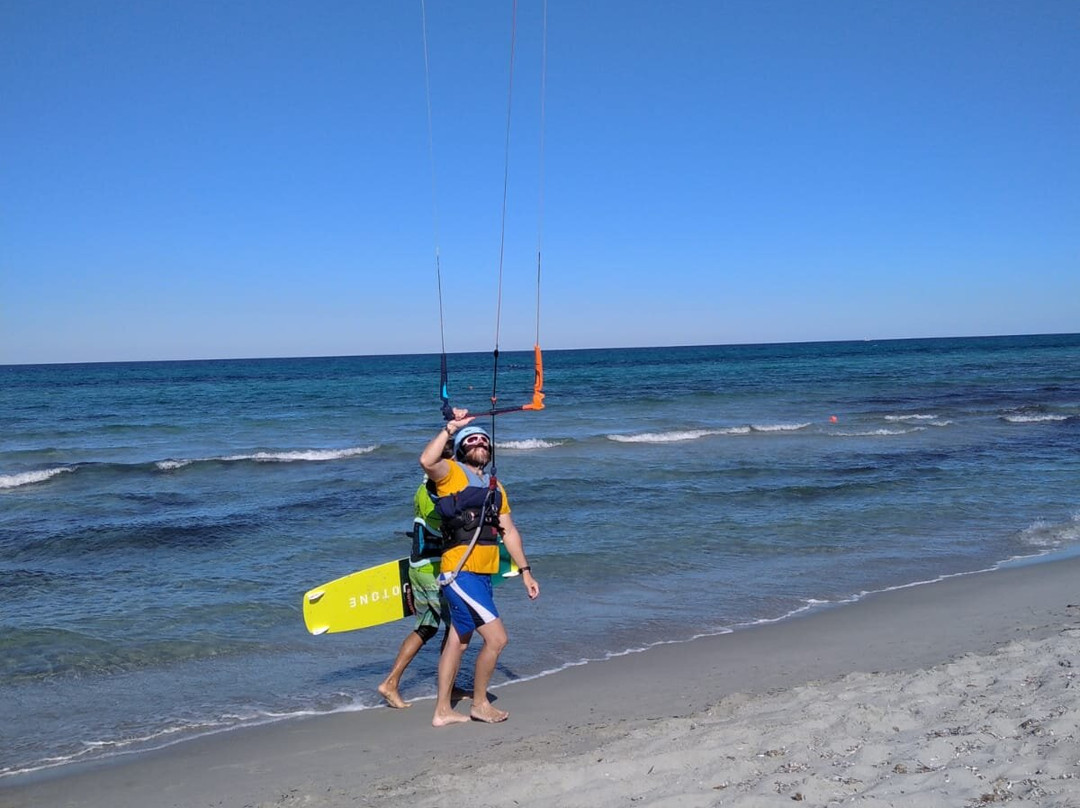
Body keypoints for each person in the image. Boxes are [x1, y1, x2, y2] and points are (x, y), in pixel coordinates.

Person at [420, 410, 539, 726]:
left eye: (484, 441)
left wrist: (525, 571)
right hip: (460, 572)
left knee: (459, 639)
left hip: (482, 576)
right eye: (471, 440)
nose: (479, 443)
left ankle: (442, 711)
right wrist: (450, 429)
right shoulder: (451, 473)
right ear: (461, 449)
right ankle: (480, 703)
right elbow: (426, 461)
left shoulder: (497, 488)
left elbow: (509, 532)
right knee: (497, 639)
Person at [377, 435, 453, 709]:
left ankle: (391, 683)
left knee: (426, 627)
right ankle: (449, 687)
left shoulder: (423, 488)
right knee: (457, 628)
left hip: (417, 566)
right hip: (434, 570)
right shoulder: (440, 497)